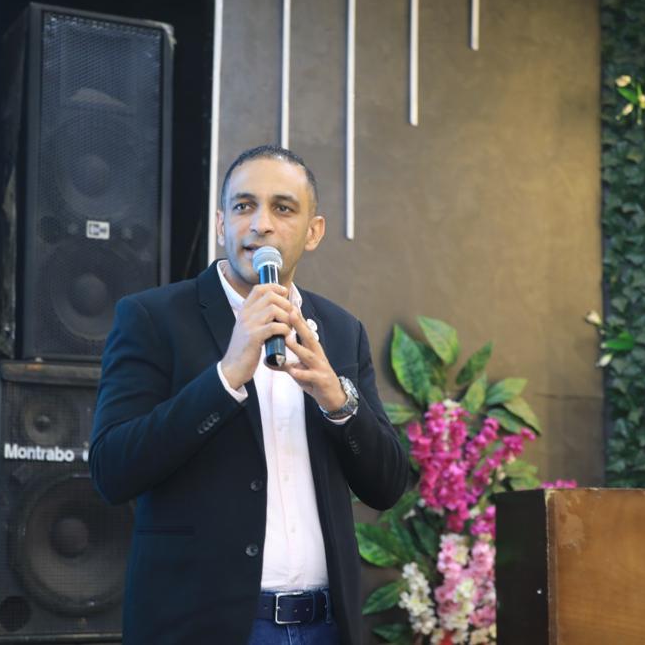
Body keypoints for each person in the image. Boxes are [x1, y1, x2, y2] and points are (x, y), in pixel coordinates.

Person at [89, 144, 409, 644]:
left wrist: (338, 401)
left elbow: (387, 486)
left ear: (313, 231)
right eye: (244, 206)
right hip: (206, 628)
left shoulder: (342, 332)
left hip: (325, 625)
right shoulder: (153, 318)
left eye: (283, 208)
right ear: (222, 224)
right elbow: (112, 470)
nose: (261, 224)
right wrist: (224, 378)